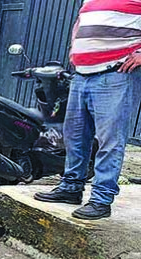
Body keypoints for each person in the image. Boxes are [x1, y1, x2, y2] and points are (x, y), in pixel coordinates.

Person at [34, 0, 141, 220]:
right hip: (82, 74)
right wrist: (75, 47)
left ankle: (101, 200)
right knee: (75, 137)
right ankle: (71, 188)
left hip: (116, 73)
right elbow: (81, 20)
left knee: (109, 141)